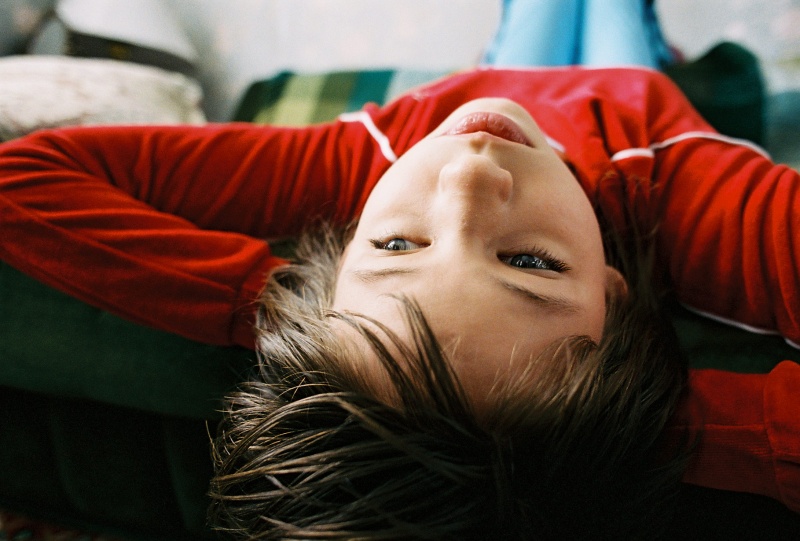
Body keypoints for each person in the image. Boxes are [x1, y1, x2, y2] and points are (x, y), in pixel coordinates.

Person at [1, 67, 798, 538]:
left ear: (338, 256)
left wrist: (266, 299)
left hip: (484, 74)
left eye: (395, 246)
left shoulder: (361, 161)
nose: (468, 171)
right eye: (529, 263)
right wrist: (638, 425)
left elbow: (19, 182)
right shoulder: (707, 213)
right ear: (614, 300)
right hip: (635, 88)